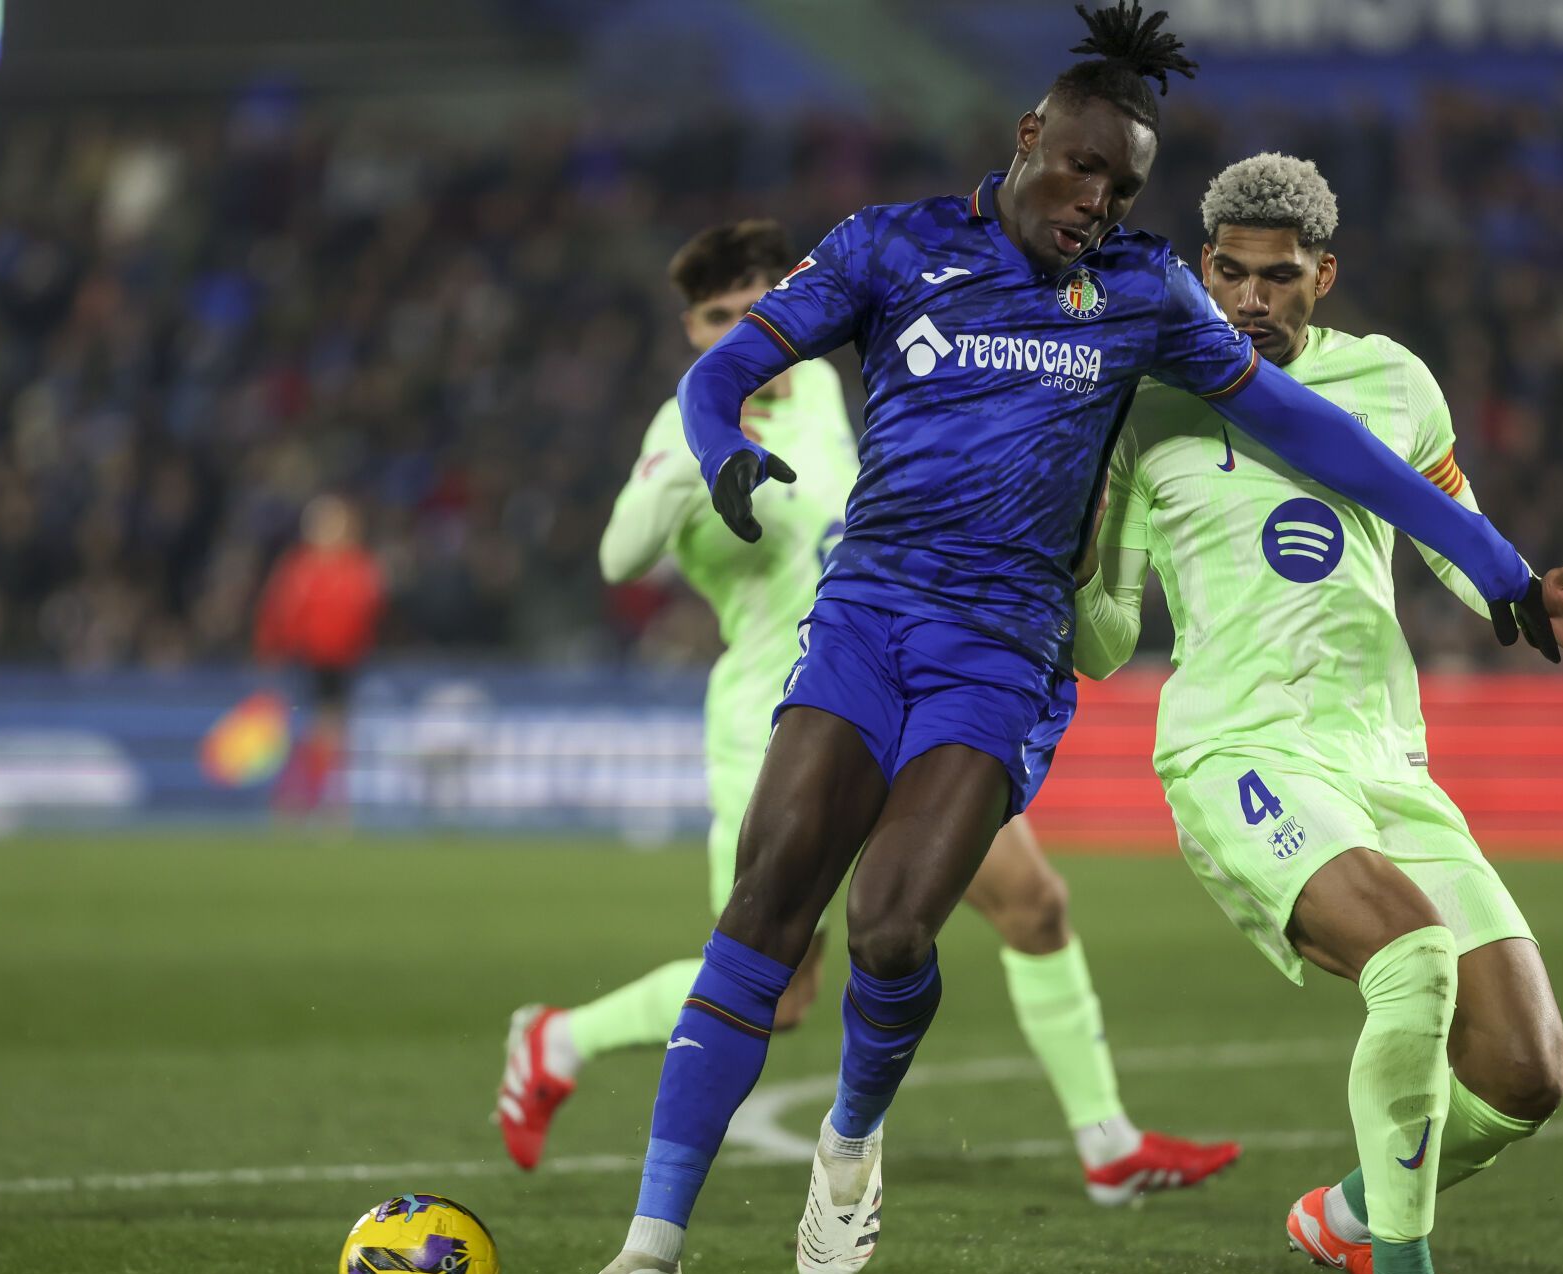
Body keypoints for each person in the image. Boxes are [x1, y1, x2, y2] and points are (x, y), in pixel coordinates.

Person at [554, 6, 1559, 1274]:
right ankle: (650, 1250)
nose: (1097, 201)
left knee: (894, 929)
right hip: (864, 616)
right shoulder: (892, 246)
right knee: (762, 910)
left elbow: (1320, 433)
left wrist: (1493, 561)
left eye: (1125, 186)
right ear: (1029, 138)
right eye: (1082, 168)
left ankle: (851, 1136)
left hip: (1000, 653)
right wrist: (720, 439)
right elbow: (727, 368)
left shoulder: (1145, 292)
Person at [498, 220, 1238, 1206]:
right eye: (716, 320)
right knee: (782, 986)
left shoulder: (815, 391)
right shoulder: (685, 424)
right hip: (778, 725)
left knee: (1034, 905)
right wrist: (696, 459)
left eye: (749, 311)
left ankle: (1105, 1145)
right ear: (690, 330)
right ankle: (557, 1039)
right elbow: (617, 559)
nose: (736, 334)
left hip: (896, 688)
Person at [1071, 153, 1563, 1274]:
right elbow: (1107, 639)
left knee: (1525, 1071)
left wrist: (1523, 600)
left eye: (1279, 277)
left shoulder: (1393, 382)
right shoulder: (1141, 399)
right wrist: (1059, 568)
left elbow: (1446, 532)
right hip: (1236, 746)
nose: (1251, 300)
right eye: (1229, 274)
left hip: (1384, 757)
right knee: (1408, 956)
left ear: (1324, 275)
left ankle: (1350, 1212)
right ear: (1201, 267)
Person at [252, 494, 383, 813]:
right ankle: (298, 798)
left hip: (342, 661)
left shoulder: (358, 566)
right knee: (310, 730)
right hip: (305, 659)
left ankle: (323, 800)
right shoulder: (300, 567)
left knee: (332, 733)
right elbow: (278, 613)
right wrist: (271, 651)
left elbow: (368, 614)